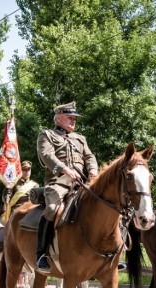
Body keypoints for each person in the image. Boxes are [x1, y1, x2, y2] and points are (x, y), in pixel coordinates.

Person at [35, 101, 98, 273]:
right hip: (59, 182)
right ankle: (41, 254)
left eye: (74, 118)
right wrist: (65, 169)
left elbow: (90, 156)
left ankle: (103, 255)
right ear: (58, 118)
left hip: (83, 182)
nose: (73, 121)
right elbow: (47, 155)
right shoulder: (47, 135)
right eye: (70, 117)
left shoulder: (80, 138)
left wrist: (93, 170)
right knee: (54, 208)